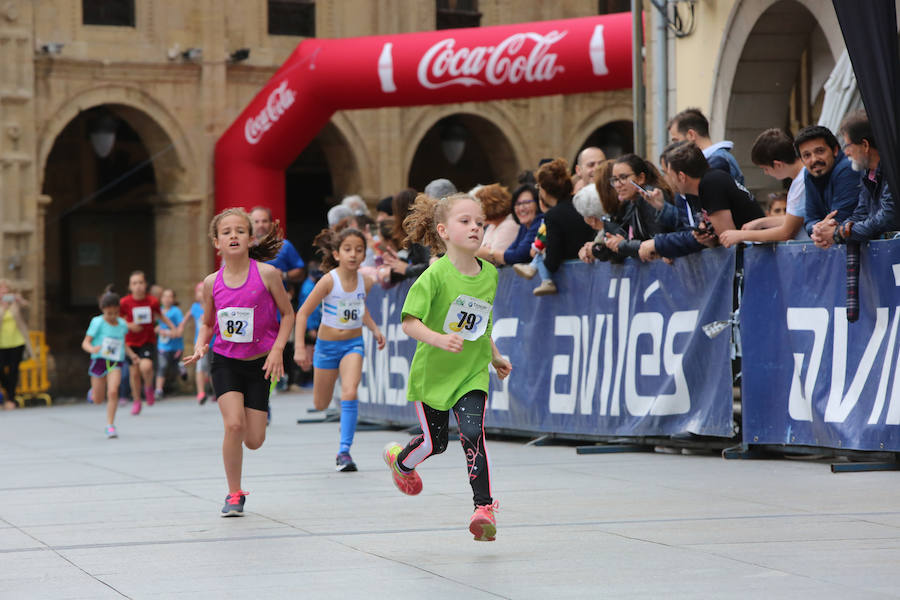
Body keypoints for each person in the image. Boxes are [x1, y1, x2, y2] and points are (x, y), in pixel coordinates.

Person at [381, 192, 512, 542]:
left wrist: (495, 356)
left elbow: (481, 326)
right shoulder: (434, 275)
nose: (475, 228)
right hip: (434, 375)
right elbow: (409, 323)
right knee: (434, 444)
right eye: (465, 221)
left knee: (473, 434)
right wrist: (439, 339)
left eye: (479, 223)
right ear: (443, 230)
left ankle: (483, 508)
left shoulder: (490, 275)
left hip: (471, 373)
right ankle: (401, 461)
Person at [183, 208, 295, 517]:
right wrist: (200, 345)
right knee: (233, 425)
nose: (233, 235)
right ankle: (234, 493)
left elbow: (288, 314)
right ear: (216, 243)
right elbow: (207, 323)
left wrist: (277, 350)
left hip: (260, 364)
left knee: (254, 439)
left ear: (249, 238)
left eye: (239, 231)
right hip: (225, 361)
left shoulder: (268, 275)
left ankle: (239, 477)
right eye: (226, 232)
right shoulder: (211, 283)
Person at [294, 228, 386, 472]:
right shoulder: (328, 281)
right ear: (336, 254)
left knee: (350, 391)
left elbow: (360, 308)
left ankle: (344, 451)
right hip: (326, 347)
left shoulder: (365, 282)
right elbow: (302, 313)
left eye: (358, 250)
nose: (353, 255)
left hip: (353, 344)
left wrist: (375, 329)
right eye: (347, 250)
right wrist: (300, 348)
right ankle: (342, 417)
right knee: (321, 403)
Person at [812, 110, 898, 248]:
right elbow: (861, 214)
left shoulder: (893, 170)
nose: (846, 152)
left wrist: (839, 233)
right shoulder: (867, 173)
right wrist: (835, 228)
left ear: (865, 145)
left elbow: (887, 218)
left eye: (848, 145)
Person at [513, 158, 595, 295]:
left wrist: (542, 252)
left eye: (538, 187)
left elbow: (552, 262)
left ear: (543, 190)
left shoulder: (553, 216)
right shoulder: (579, 203)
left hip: (575, 285)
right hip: (590, 274)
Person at [719, 128, 809, 247]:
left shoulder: (802, 181)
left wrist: (740, 235)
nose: (766, 173)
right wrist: (762, 222)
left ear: (777, 164)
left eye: (765, 168)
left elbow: (786, 232)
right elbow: (796, 219)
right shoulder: (800, 179)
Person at [81, 286, 139, 438]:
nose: (112, 316)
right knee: (98, 399)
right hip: (99, 360)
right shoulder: (97, 322)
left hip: (115, 362)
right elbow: (85, 342)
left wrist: (132, 355)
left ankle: (110, 425)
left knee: (113, 391)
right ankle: (93, 393)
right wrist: (92, 349)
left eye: (115, 313)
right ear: (103, 310)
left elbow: (123, 343)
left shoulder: (121, 324)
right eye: (108, 313)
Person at [593, 154, 675, 260]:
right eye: (615, 180)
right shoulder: (632, 202)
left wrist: (623, 244)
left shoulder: (649, 197)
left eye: (623, 177)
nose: (618, 185)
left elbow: (656, 243)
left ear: (641, 178)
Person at [120, 271, 176, 415]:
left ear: (145, 285)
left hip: (147, 340)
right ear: (130, 287)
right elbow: (119, 320)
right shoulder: (125, 302)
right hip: (130, 342)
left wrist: (173, 327)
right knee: (134, 373)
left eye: (140, 283)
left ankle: (149, 387)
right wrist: (130, 325)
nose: (138, 286)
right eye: (134, 283)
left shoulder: (152, 301)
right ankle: (137, 400)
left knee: (146, 366)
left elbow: (160, 315)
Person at [793, 125, 859, 237]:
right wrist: (817, 228)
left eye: (820, 151)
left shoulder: (847, 168)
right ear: (802, 160)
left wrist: (818, 229)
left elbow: (840, 218)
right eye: (807, 155)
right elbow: (810, 220)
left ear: (835, 150)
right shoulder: (809, 173)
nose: (814, 160)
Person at [668, 107, 745, 184]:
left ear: (691, 135)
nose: (676, 147)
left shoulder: (718, 161)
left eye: (676, 141)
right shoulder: (716, 158)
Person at [382, 188, 432, 283]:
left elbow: (430, 264)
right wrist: (400, 262)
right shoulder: (417, 228)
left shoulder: (419, 229)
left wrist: (407, 269)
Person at [250, 207, 306, 286]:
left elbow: (301, 273)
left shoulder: (284, 245)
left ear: (271, 223)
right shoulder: (245, 248)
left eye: (264, 221)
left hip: (278, 295)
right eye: (256, 221)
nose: (261, 225)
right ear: (250, 225)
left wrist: (284, 275)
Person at [0, 280, 33, 410]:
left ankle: (11, 399)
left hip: (17, 342)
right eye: (1, 290)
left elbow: (29, 312)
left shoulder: (15, 303)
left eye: (6, 289)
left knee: (14, 370)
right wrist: (3, 307)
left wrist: (21, 301)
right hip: (1, 343)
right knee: (1, 369)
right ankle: (8, 393)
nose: (4, 292)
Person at [473, 183, 519, 265]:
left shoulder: (509, 224)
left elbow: (495, 259)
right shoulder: (492, 226)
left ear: (489, 206)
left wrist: (481, 252)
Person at [499, 183, 542, 266]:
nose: (521, 208)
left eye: (526, 202)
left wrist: (491, 253)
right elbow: (511, 251)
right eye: (518, 204)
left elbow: (519, 255)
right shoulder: (524, 226)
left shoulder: (540, 221)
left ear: (537, 204)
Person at [154, 288, 187, 399]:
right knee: (162, 366)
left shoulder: (176, 311)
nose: (167, 299)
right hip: (162, 346)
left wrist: (167, 332)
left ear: (173, 299)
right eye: (164, 296)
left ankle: (180, 367)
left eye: (170, 296)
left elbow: (178, 331)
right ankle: (158, 390)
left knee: (173, 369)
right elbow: (156, 326)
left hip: (176, 346)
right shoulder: (159, 310)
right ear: (161, 298)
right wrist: (157, 329)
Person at [189, 281, 213, 404]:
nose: (201, 293)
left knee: (212, 368)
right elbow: (185, 319)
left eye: (204, 290)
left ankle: (216, 391)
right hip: (199, 343)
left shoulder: (213, 306)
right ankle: (201, 392)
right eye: (199, 290)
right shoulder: (195, 307)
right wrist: (179, 327)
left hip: (214, 343)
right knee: (200, 367)